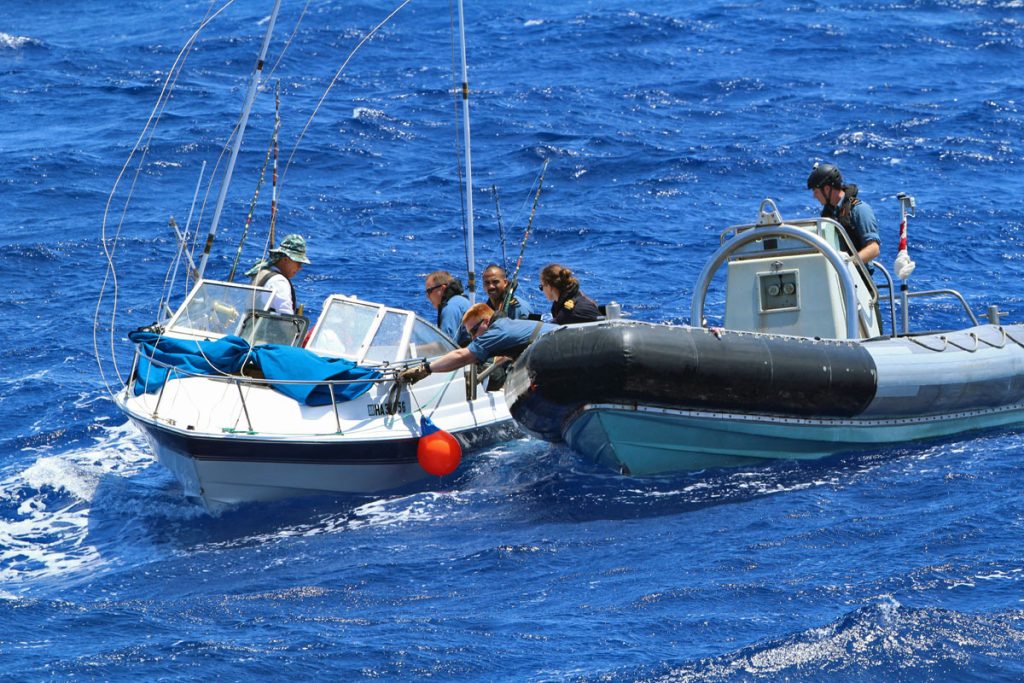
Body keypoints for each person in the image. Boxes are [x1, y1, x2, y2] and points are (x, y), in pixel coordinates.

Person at [398, 303, 556, 384]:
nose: (474, 338)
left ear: (486, 321)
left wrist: (425, 369)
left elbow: (462, 355)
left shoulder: (496, 332)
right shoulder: (507, 325)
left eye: (474, 331)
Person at [806, 162, 880, 265]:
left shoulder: (859, 209)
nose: (814, 196)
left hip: (856, 277)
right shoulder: (828, 214)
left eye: (816, 191)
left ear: (827, 189)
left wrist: (847, 265)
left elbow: (874, 249)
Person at [244, 233, 310, 315]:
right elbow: (286, 318)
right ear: (285, 260)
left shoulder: (262, 272)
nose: (300, 267)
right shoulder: (279, 282)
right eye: (298, 263)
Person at [424, 270, 470, 343]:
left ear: (442, 288)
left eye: (429, 291)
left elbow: (445, 346)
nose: (427, 296)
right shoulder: (461, 301)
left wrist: (411, 350)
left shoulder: (450, 307)